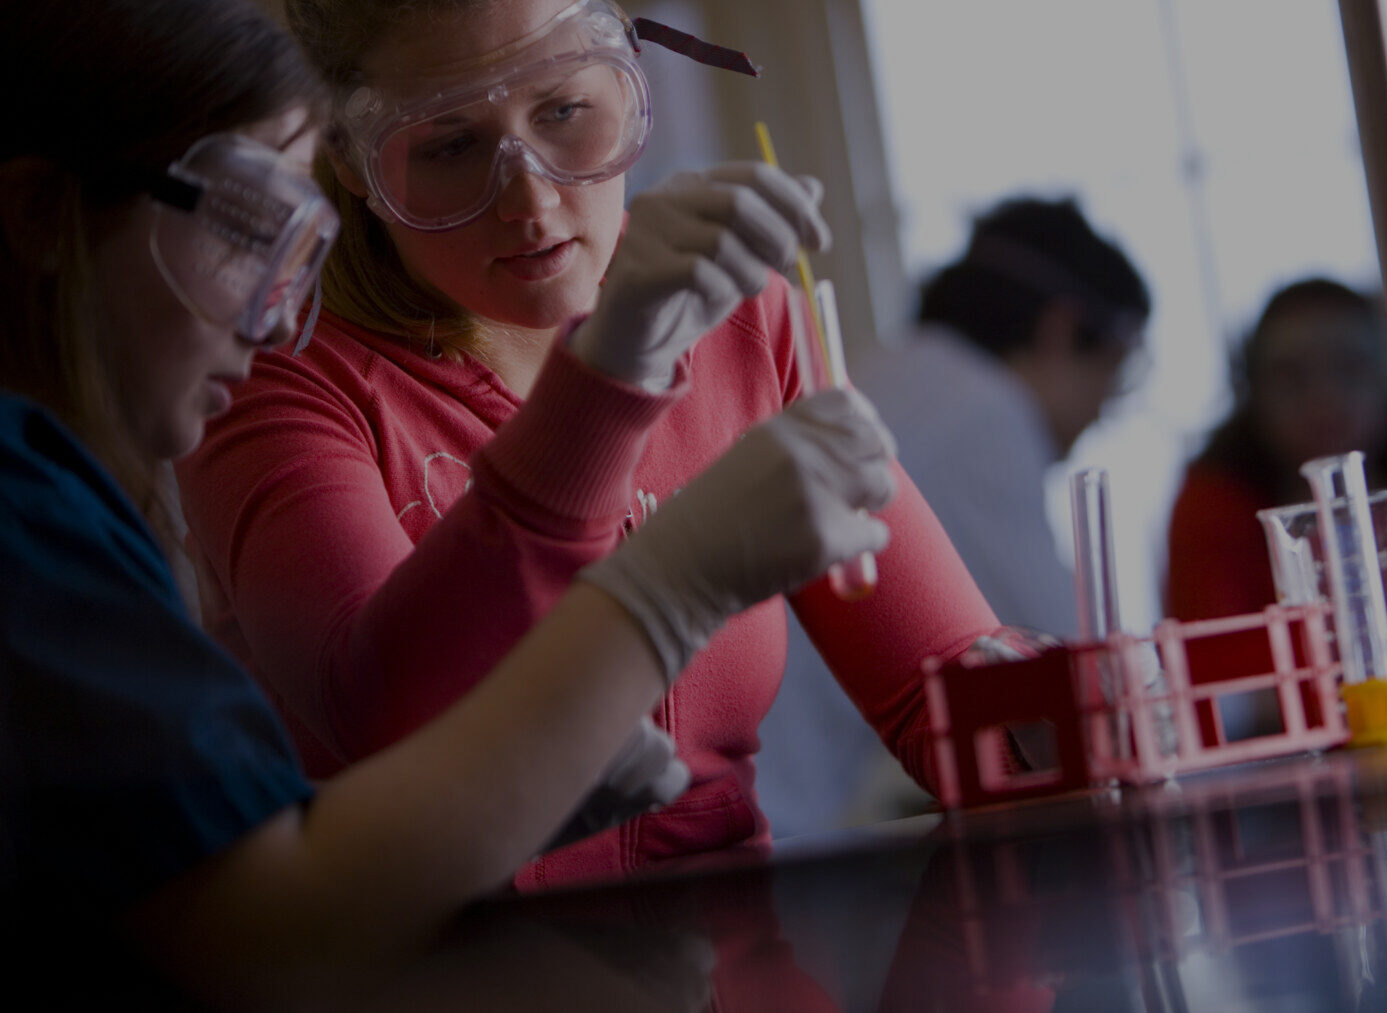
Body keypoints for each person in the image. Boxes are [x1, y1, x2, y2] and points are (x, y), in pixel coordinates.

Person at [0, 0, 897, 1004]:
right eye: (247, 223)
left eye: (563, 109)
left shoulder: (67, 502)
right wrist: (669, 586)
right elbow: (263, 930)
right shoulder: (27, 514)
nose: (273, 313)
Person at [174, 0, 1005, 887]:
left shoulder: (738, 315)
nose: (530, 201)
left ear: (627, 86)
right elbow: (379, 720)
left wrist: (1093, 701)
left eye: (565, 112)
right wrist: (610, 377)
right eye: (450, 147)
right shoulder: (277, 374)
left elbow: (949, 702)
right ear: (351, 160)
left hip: (735, 958)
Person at [762, 195, 1151, 837]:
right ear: (1059, 331)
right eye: (1116, 373)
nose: (1106, 410)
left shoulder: (886, 367)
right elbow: (1086, 682)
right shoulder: (983, 416)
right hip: (776, 811)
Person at [1163, 277, 1387, 683]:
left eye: (1351, 367)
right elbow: (1221, 678)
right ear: (1254, 392)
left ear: (1386, 378)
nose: (1324, 398)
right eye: (1291, 376)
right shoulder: (1211, 502)